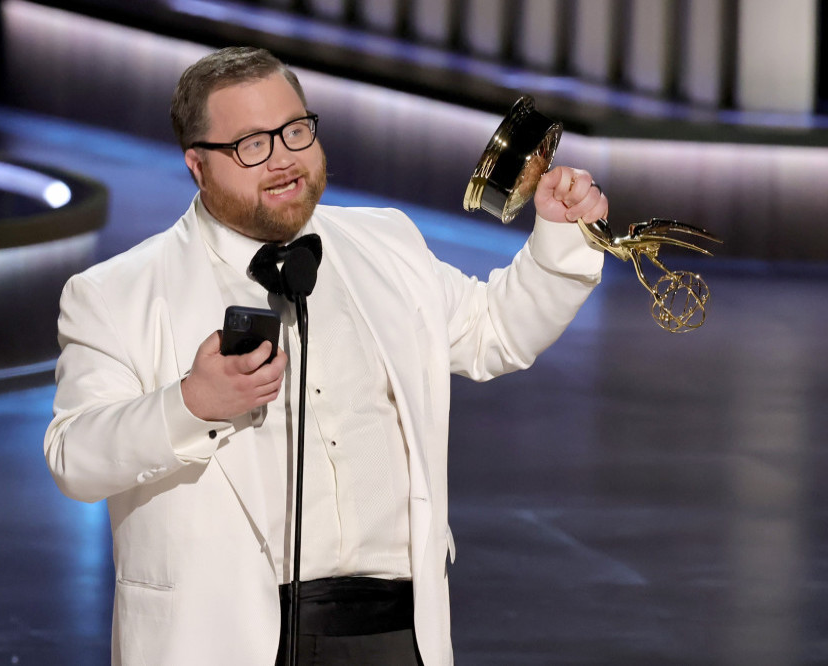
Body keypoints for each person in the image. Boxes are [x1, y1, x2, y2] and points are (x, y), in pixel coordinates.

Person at [44, 46, 607, 666]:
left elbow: (494, 330)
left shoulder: (387, 243)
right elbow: (76, 457)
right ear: (197, 166)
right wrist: (189, 405)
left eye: (295, 131)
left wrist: (557, 238)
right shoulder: (116, 293)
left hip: (396, 631)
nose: (283, 158)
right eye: (251, 144)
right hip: (220, 633)